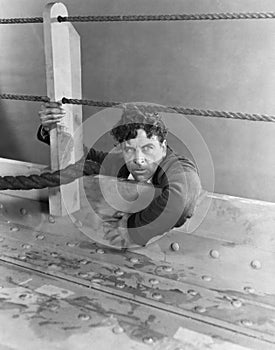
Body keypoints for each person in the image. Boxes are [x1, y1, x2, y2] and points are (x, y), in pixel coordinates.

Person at [37, 102, 201, 247]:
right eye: (129, 149)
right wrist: (52, 129)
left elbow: (181, 201)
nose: (138, 160)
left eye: (148, 148)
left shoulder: (179, 167)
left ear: (163, 147)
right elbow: (83, 155)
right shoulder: (120, 163)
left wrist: (132, 229)